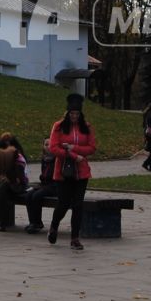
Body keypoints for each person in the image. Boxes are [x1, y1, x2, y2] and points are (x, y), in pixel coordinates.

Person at [45, 94, 97, 250]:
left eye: (77, 114)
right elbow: (54, 148)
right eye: (72, 114)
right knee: (63, 203)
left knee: (78, 205)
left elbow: (92, 147)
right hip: (63, 172)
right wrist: (74, 155)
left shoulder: (86, 127)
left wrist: (74, 148)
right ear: (67, 113)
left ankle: (75, 237)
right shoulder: (58, 126)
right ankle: (54, 226)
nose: (74, 117)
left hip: (81, 172)